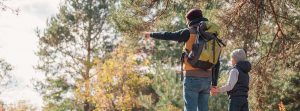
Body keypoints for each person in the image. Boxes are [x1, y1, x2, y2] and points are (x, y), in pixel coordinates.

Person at [144, 9, 220, 111]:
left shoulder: (188, 32)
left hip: (192, 77)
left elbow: (168, 35)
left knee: (190, 109)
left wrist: (151, 34)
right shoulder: (211, 35)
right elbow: (216, 61)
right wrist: (214, 84)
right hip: (207, 79)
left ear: (190, 20)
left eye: (187, 21)